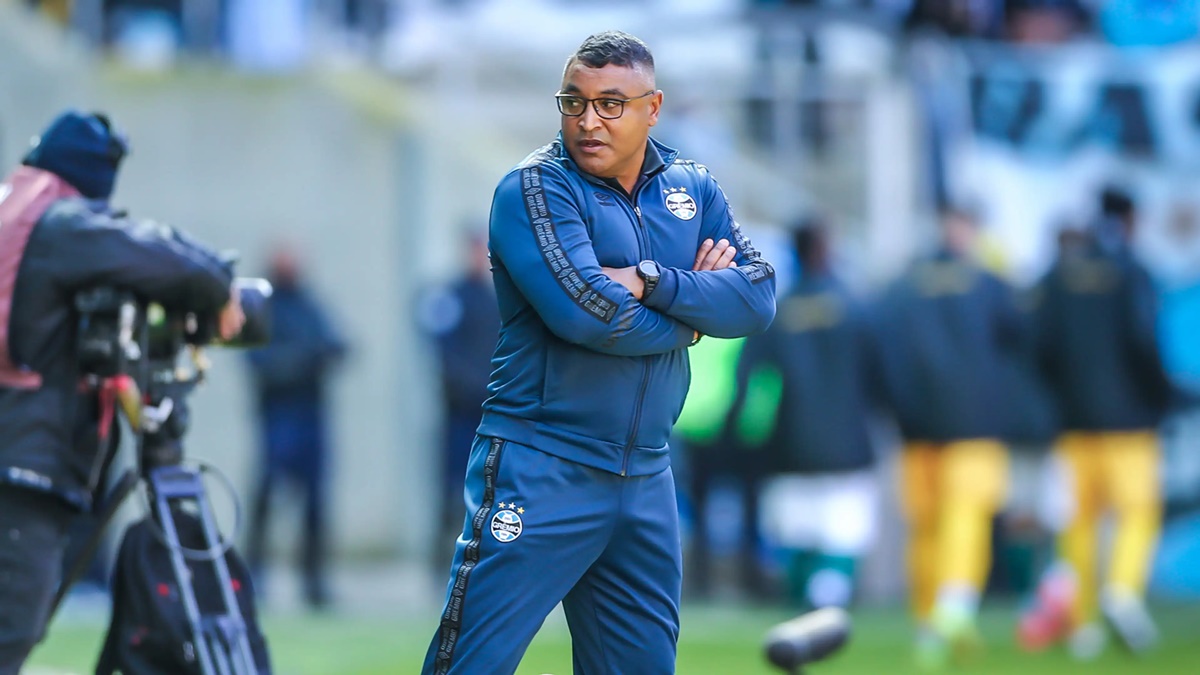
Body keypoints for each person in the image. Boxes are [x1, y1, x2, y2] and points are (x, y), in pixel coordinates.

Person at [422, 31, 776, 674]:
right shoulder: (533, 189)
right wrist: (694, 317)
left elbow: (756, 300)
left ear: (654, 107)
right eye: (574, 102)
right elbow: (588, 315)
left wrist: (652, 282)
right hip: (541, 463)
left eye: (611, 103)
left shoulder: (693, 188)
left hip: (645, 475)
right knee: (470, 665)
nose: (588, 120)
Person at [0, 110, 244, 674]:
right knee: (11, 630)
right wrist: (219, 283)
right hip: (25, 475)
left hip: (18, 463)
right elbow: (155, 255)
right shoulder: (60, 225)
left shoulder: (16, 213)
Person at [1021, 187, 1171, 658]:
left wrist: (1059, 401)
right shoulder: (1132, 271)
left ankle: (1082, 623)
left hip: (1072, 423)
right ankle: (1122, 590)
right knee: (1138, 511)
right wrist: (1159, 397)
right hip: (1129, 422)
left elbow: (1038, 347)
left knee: (1078, 523)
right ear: (1130, 218)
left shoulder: (1059, 274)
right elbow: (1144, 341)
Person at [873, 205, 1023, 668]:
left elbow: (880, 351)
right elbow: (1019, 337)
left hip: (916, 427)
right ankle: (954, 608)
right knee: (966, 517)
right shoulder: (989, 283)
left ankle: (928, 623)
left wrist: (898, 408)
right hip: (974, 425)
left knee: (927, 525)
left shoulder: (901, 288)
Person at [731, 220, 880, 611]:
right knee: (843, 533)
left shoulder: (776, 311)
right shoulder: (856, 306)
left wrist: (745, 433)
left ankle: (799, 608)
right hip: (849, 441)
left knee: (795, 533)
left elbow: (747, 378)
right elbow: (881, 374)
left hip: (790, 442)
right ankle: (827, 601)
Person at [244, 243, 347, 610]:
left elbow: (338, 346)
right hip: (279, 417)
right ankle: (253, 575)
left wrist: (304, 358)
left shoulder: (309, 305)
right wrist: (305, 359)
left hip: (312, 417)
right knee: (267, 496)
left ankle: (315, 581)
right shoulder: (263, 309)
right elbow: (263, 364)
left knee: (316, 503)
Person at [417, 231, 501, 575]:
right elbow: (441, 351)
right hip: (459, 412)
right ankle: (442, 562)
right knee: (452, 488)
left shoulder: (497, 299)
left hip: (492, 414)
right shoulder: (449, 296)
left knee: (492, 489)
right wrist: (471, 386)